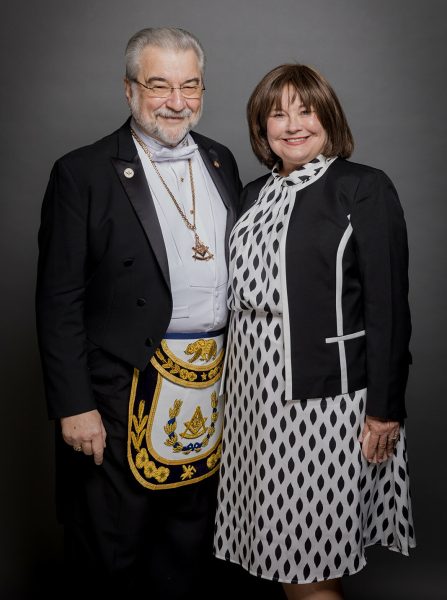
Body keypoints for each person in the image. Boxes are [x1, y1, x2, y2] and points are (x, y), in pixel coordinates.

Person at [36, 26, 241, 598]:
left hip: (211, 382)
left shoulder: (222, 161)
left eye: (190, 86)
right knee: (113, 549)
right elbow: (58, 300)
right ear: (129, 91)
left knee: (190, 545)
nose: (177, 102)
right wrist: (74, 405)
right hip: (118, 388)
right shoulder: (81, 172)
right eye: (159, 86)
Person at [214, 63, 415, 599]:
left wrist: (385, 408)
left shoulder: (362, 187)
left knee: (307, 564)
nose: (293, 124)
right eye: (277, 113)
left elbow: (389, 307)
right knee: (283, 559)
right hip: (250, 401)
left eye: (306, 110)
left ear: (329, 117)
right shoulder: (252, 193)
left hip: (322, 403)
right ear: (261, 128)